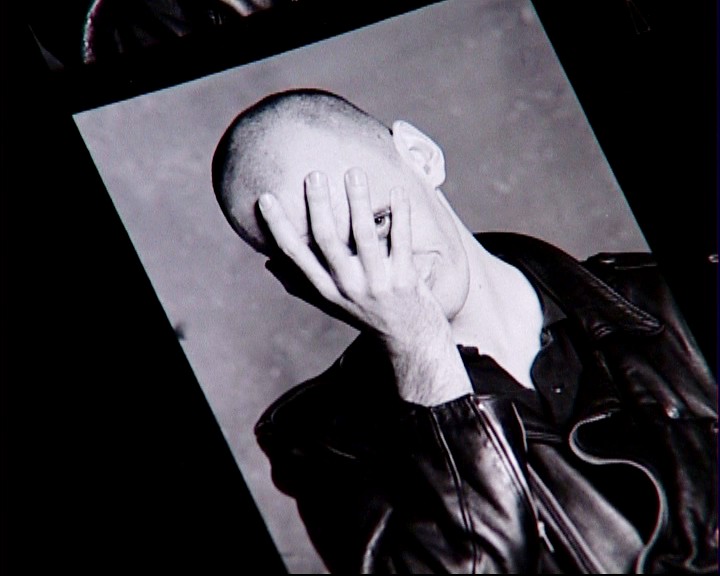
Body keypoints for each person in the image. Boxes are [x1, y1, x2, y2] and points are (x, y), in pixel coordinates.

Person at [211, 88, 718, 573]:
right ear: (294, 281)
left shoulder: (670, 294)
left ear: (421, 156)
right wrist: (420, 345)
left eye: (378, 220)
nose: (382, 270)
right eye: (324, 255)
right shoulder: (322, 443)